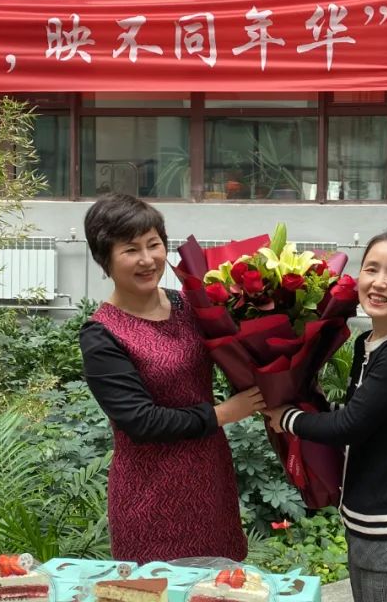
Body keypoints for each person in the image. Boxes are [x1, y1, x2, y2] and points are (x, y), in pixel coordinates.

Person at [79, 193, 265, 564]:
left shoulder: (190, 304)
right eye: (131, 249)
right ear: (104, 258)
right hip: (150, 494)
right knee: (159, 586)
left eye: (154, 244)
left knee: (220, 583)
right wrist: (223, 413)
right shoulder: (102, 334)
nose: (147, 259)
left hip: (210, 480)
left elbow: (235, 357)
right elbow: (140, 422)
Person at [264, 229, 387, 601]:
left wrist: (288, 417)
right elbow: (362, 413)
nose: (379, 282)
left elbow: (350, 426)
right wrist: (305, 397)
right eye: (371, 269)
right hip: (366, 526)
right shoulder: (367, 343)